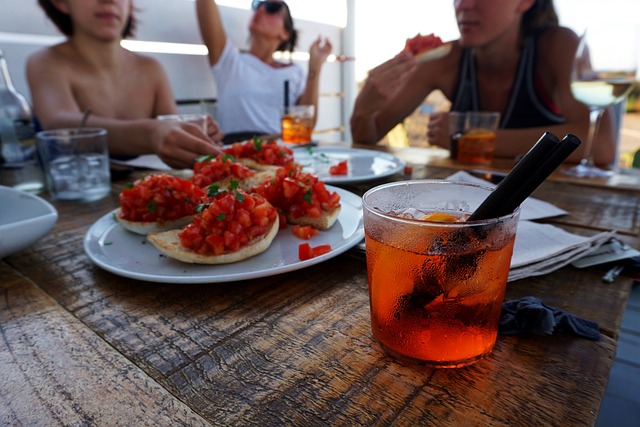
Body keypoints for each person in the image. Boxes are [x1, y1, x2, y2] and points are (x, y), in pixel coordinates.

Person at [350, 0, 616, 166]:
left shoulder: (558, 45)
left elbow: (600, 145)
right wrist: (364, 108)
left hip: (556, 203)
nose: (464, 5)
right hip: (468, 208)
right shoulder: (443, 58)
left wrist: (472, 139)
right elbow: (367, 135)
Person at [27, 0, 224, 169]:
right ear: (60, 2)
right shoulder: (46, 63)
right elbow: (60, 125)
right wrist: (152, 134)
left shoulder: (151, 68)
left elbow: (171, 129)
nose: (108, 0)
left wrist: (193, 137)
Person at [195, 0, 333, 143]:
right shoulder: (229, 61)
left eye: (272, 8)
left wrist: (315, 67)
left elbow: (306, 124)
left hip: (281, 152)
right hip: (238, 152)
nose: (260, 9)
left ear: (285, 33)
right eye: (257, 5)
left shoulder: (294, 72)